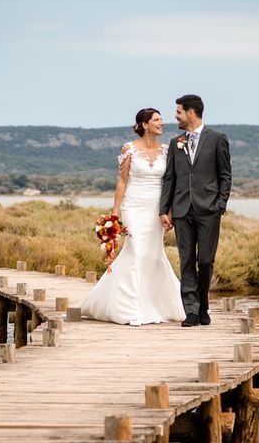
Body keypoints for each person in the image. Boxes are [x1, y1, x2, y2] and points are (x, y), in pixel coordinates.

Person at [80, 108, 186, 326]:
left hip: (157, 208)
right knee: (136, 250)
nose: (162, 123)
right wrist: (115, 213)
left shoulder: (168, 150)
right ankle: (130, 309)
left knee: (154, 254)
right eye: (157, 120)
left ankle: (157, 305)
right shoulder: (129, 149)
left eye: (162, 119)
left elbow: (171, 184)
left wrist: (169, 211)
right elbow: (122, 181)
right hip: (133, 206)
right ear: (144, 124)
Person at [159, 94, 231, 327]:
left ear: (191, 112)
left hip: (208, 209)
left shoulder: (218, 139)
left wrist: (220, 205)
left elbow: (225, 176)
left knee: (206, 260)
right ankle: (190, 310)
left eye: (179, 111)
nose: (175, 116)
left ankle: (203, 305)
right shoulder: (175, 142)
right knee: (186, 259)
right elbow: (169, 178)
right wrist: (165, 209)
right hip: (181, 210)